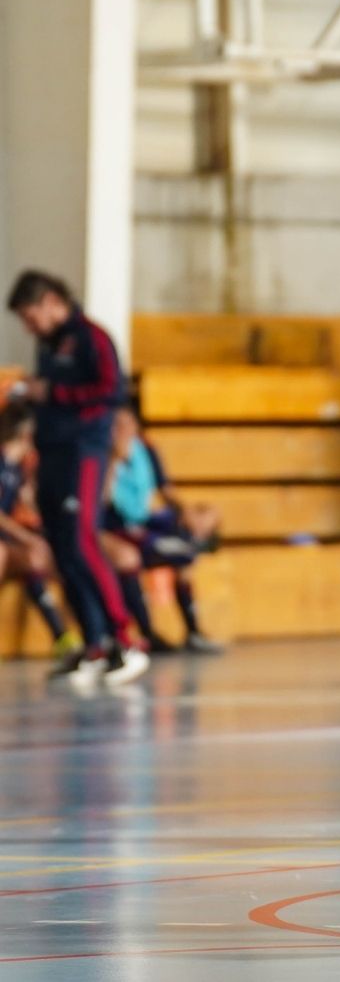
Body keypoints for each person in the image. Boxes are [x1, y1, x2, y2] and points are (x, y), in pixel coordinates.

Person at [6, 271, 147, 688]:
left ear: (51, 301)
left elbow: (110, 390)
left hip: (83, 451)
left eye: (31, 316)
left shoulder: (92, 338)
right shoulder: (48, 345)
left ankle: (125, 637)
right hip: (51, 453)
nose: (29, 327)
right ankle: (94, 645)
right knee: (63, 550)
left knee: (84, 541)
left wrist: (52, 394)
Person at [101, 406, 223, 654]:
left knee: (190, 542)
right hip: (115, 527)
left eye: (127, 424)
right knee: (132, 557)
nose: (123, 431)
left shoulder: (145, 449)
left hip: (143, 520)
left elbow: (164, 488)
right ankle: (147, 633)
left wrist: (187, 513)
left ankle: (193, 631)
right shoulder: (101, 453)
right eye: (117, 425)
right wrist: (114, 460)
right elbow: (100, 502)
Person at [0, 403, 79, 658]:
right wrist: (26, 537)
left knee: (43, 559)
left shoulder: (17, 468)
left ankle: (65, 636)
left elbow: (27, 508)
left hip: (7, 540)